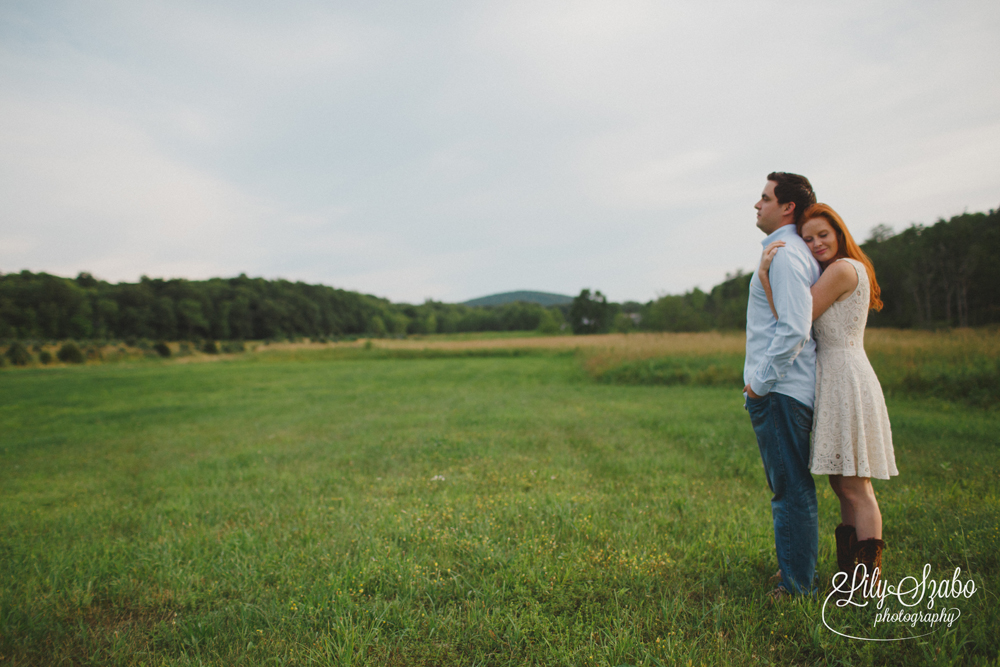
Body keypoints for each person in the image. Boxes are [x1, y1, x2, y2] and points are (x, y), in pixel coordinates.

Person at [757, 203, 897, 594]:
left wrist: (766, 276)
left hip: (846, 380)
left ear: (839, 234)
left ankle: (867, 584)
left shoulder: (841, 270)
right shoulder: (843, 269)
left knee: (856, 487)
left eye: (823, 235)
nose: (816, 243)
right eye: (808, 238)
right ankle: (849, 576)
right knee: (843, 485)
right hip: (836, 378)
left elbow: (793, 318)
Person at [743, 172, 821, 599]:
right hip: (782, 390)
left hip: (780, 391)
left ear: (787, 206)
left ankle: (797, 586)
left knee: (789, 489)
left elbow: (793, 330)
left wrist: (760, 385)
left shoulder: (788, 255)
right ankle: (795, 569)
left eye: (765, 197)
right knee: (789, 486)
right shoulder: (785, 253)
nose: (757, 204)